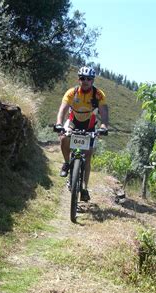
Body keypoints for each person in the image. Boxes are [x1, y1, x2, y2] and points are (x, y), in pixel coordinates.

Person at [55, 66, 109, 202]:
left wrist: (103, 126)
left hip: (90, 125)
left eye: (89, 79)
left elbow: (104, 112)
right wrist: (59, 124)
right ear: (78, 79)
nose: (85, 81)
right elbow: (63, 109)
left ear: (92, 80)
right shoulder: (72, 93)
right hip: (73, 122)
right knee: (63, 137)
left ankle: (84, 188)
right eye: (82, 78)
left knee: (88, 155)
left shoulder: (98, 94)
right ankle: (67, 163)